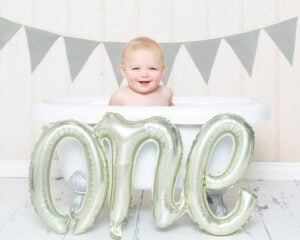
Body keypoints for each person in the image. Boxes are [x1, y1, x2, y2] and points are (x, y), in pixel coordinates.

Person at [109, 37, 173, 106]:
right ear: (123, 71)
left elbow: (174, 115)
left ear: (163, 71)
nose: (144, 74)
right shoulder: (119, 97)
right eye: (136, 68)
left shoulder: (166, 93)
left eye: (152, 68)